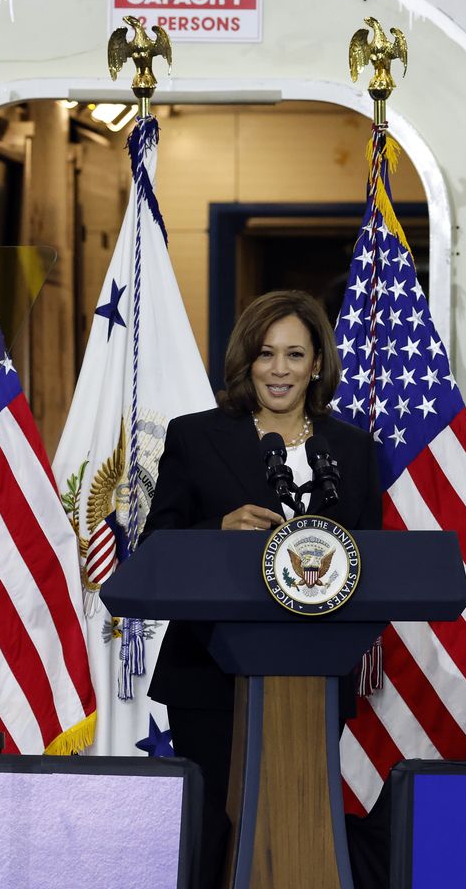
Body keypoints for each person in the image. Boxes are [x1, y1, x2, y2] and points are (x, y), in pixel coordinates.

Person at [143, 289, 382, 889]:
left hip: (316, 675)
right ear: (246, 360)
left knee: (302, 828)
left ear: (317, 364)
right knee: (216, 834)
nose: (280, 370)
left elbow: (372, 559)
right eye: (267, 354)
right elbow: (155, 549)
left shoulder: (350, 450)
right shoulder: (198, 437)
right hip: (209, 674)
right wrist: (218, 530)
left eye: (295, 355)